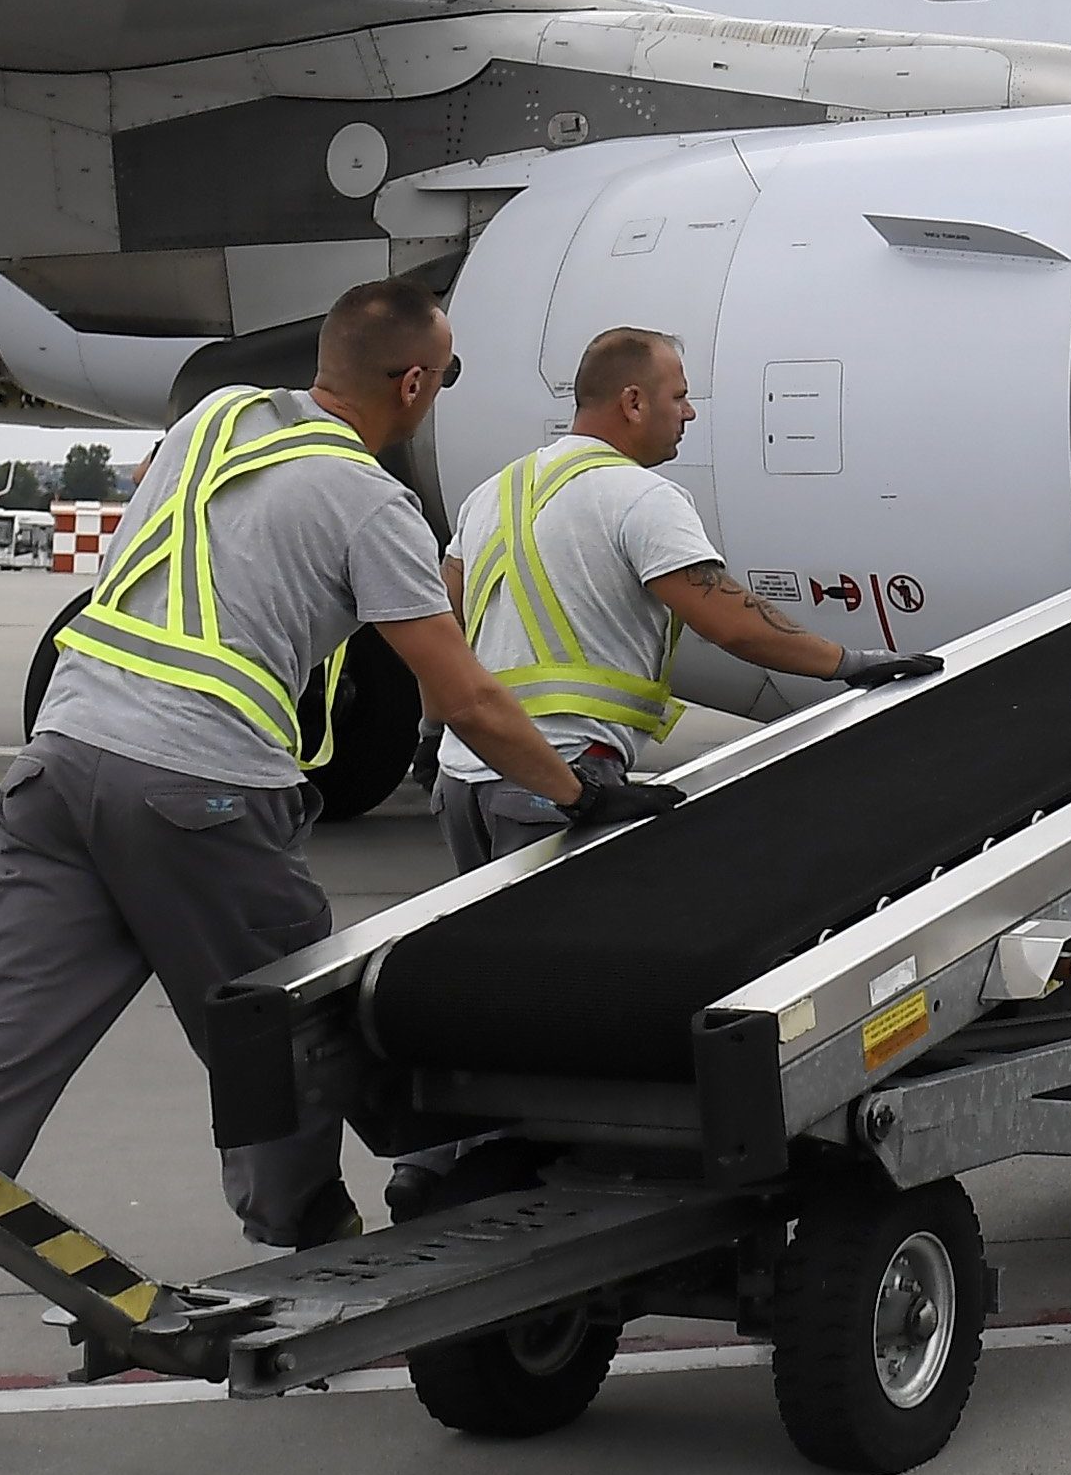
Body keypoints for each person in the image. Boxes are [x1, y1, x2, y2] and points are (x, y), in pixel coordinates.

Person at [0, 280, 596, 1466]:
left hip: (61, 765)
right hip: (202, 787)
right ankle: (332, 1233)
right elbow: (459, 692)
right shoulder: (373, 505)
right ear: (413, 387)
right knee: (299, 1024)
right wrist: (581, 793)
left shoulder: (213, 421)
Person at [395, 328, 941, 1209]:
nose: (692, 412)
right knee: (575, 995)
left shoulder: (496, 491)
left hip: (468, 774)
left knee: (492, 983)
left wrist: (429, 739)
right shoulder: (640, 499)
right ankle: (509, 1173)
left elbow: (442, 625)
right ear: (631, 402)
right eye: (681, 394)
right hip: (566, 779)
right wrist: (848, 662)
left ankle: (443, 1162)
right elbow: (732, 623)